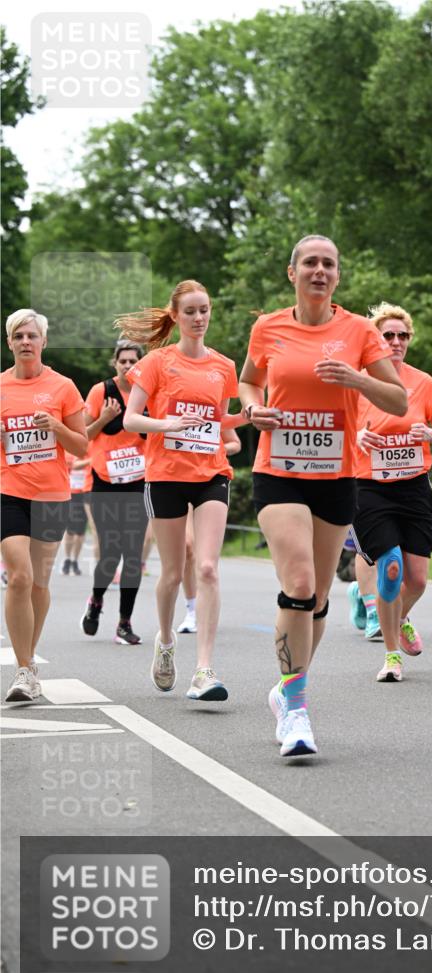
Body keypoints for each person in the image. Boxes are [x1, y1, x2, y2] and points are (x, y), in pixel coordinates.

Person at [238, 235, 407, 755]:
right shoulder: (268, 327)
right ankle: (296, 710)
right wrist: (252, 410)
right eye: (309, 262)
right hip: (279, 469)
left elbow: (398, 399)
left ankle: (289, 689)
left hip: (336, 475)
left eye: (328, 264)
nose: (319, 270)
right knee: (301, 582)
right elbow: (248, 382)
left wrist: (357, 379)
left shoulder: (357, 331)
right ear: (292, 273)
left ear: (337, 275)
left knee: (320, 600)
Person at [120, 279, 245, 700]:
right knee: (173, 573)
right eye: (190, 311)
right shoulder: (157, 362)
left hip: (211, 472)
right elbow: (131, 420)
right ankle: (166, 641)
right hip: (166, 475)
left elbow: (218, 423)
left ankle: (204, 670)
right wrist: (165, 425)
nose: (198, 318)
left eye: (204, 310)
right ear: (175, 316)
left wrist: (250, 417)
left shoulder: (224, 366)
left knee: (207, 567)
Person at [352, 303, 432, 682]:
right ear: (376, 340)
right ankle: (392, 655)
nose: (395, 342)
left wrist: (431, 434)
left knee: (419, 579)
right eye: (388, 336)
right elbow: (340, 429)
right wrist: (358, 435)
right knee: (390, 567)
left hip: (413, 488)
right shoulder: (361, 381)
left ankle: (400, 615)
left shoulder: (423, 382)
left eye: (402, 336)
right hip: (370, 488)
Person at [1, 309, 87, 702]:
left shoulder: (63, 387)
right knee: (18, 576)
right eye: (18, 336)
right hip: (9, 489)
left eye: (31, 335)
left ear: (44, 342)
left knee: (38, 582)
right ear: (9, 343)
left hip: (51, 493)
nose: (25, 342)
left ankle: (29, 660)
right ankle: (22, 670)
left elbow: (82, 446)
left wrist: (56, 427)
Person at [80, 340, 148, 645]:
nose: (128, 366)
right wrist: (105, 418)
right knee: (111, 553)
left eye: (134, 361)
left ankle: (124, 623)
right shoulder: (100, 392)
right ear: (115, 363)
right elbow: (81, 438)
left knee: (133, 556)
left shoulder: (148, 393)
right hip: (103, 483)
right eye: (123, 361)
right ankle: (95, 601)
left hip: (137, 482)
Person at [176, 425, 242, 635]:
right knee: (187, 547)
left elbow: (235, 444)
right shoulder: (172, 400)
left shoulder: (214, 402)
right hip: (178, 479)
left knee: (206, 560)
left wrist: (211, 446)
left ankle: (204, 604)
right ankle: (192, 609)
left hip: (211, 481)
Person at [60, 450, 91, 575]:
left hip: (86, 493)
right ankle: (67, 558)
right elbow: (73, 466)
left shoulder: (90, 450)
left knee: (81, 530)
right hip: (71, 493)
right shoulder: (68, 452)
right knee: (70, 528)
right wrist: (91, 461)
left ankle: (75, 560)